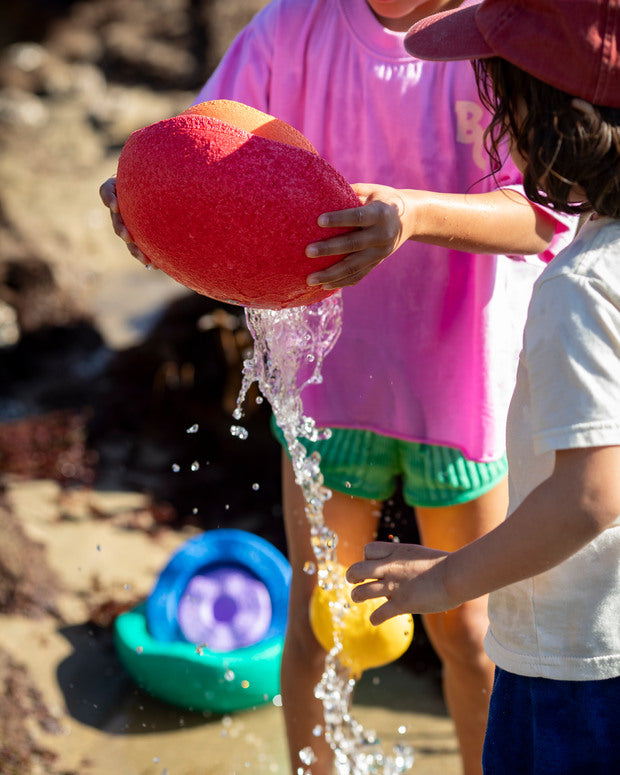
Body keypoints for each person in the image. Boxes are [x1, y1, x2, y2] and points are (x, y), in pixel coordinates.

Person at [100, 1, 575, 772]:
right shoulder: (293, 28)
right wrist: (149, 203)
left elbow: (547, 216)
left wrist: (411, 215)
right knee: (321, 625)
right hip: (328, 385)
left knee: (472, 636)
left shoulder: (501, 30)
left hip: (461, 388)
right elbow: (199, 156)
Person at [345, 1, 620, 772]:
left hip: (574, 667)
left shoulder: (584, 285)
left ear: (547, 120)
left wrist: (449, 576)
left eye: (500, 96)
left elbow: (592, 493)